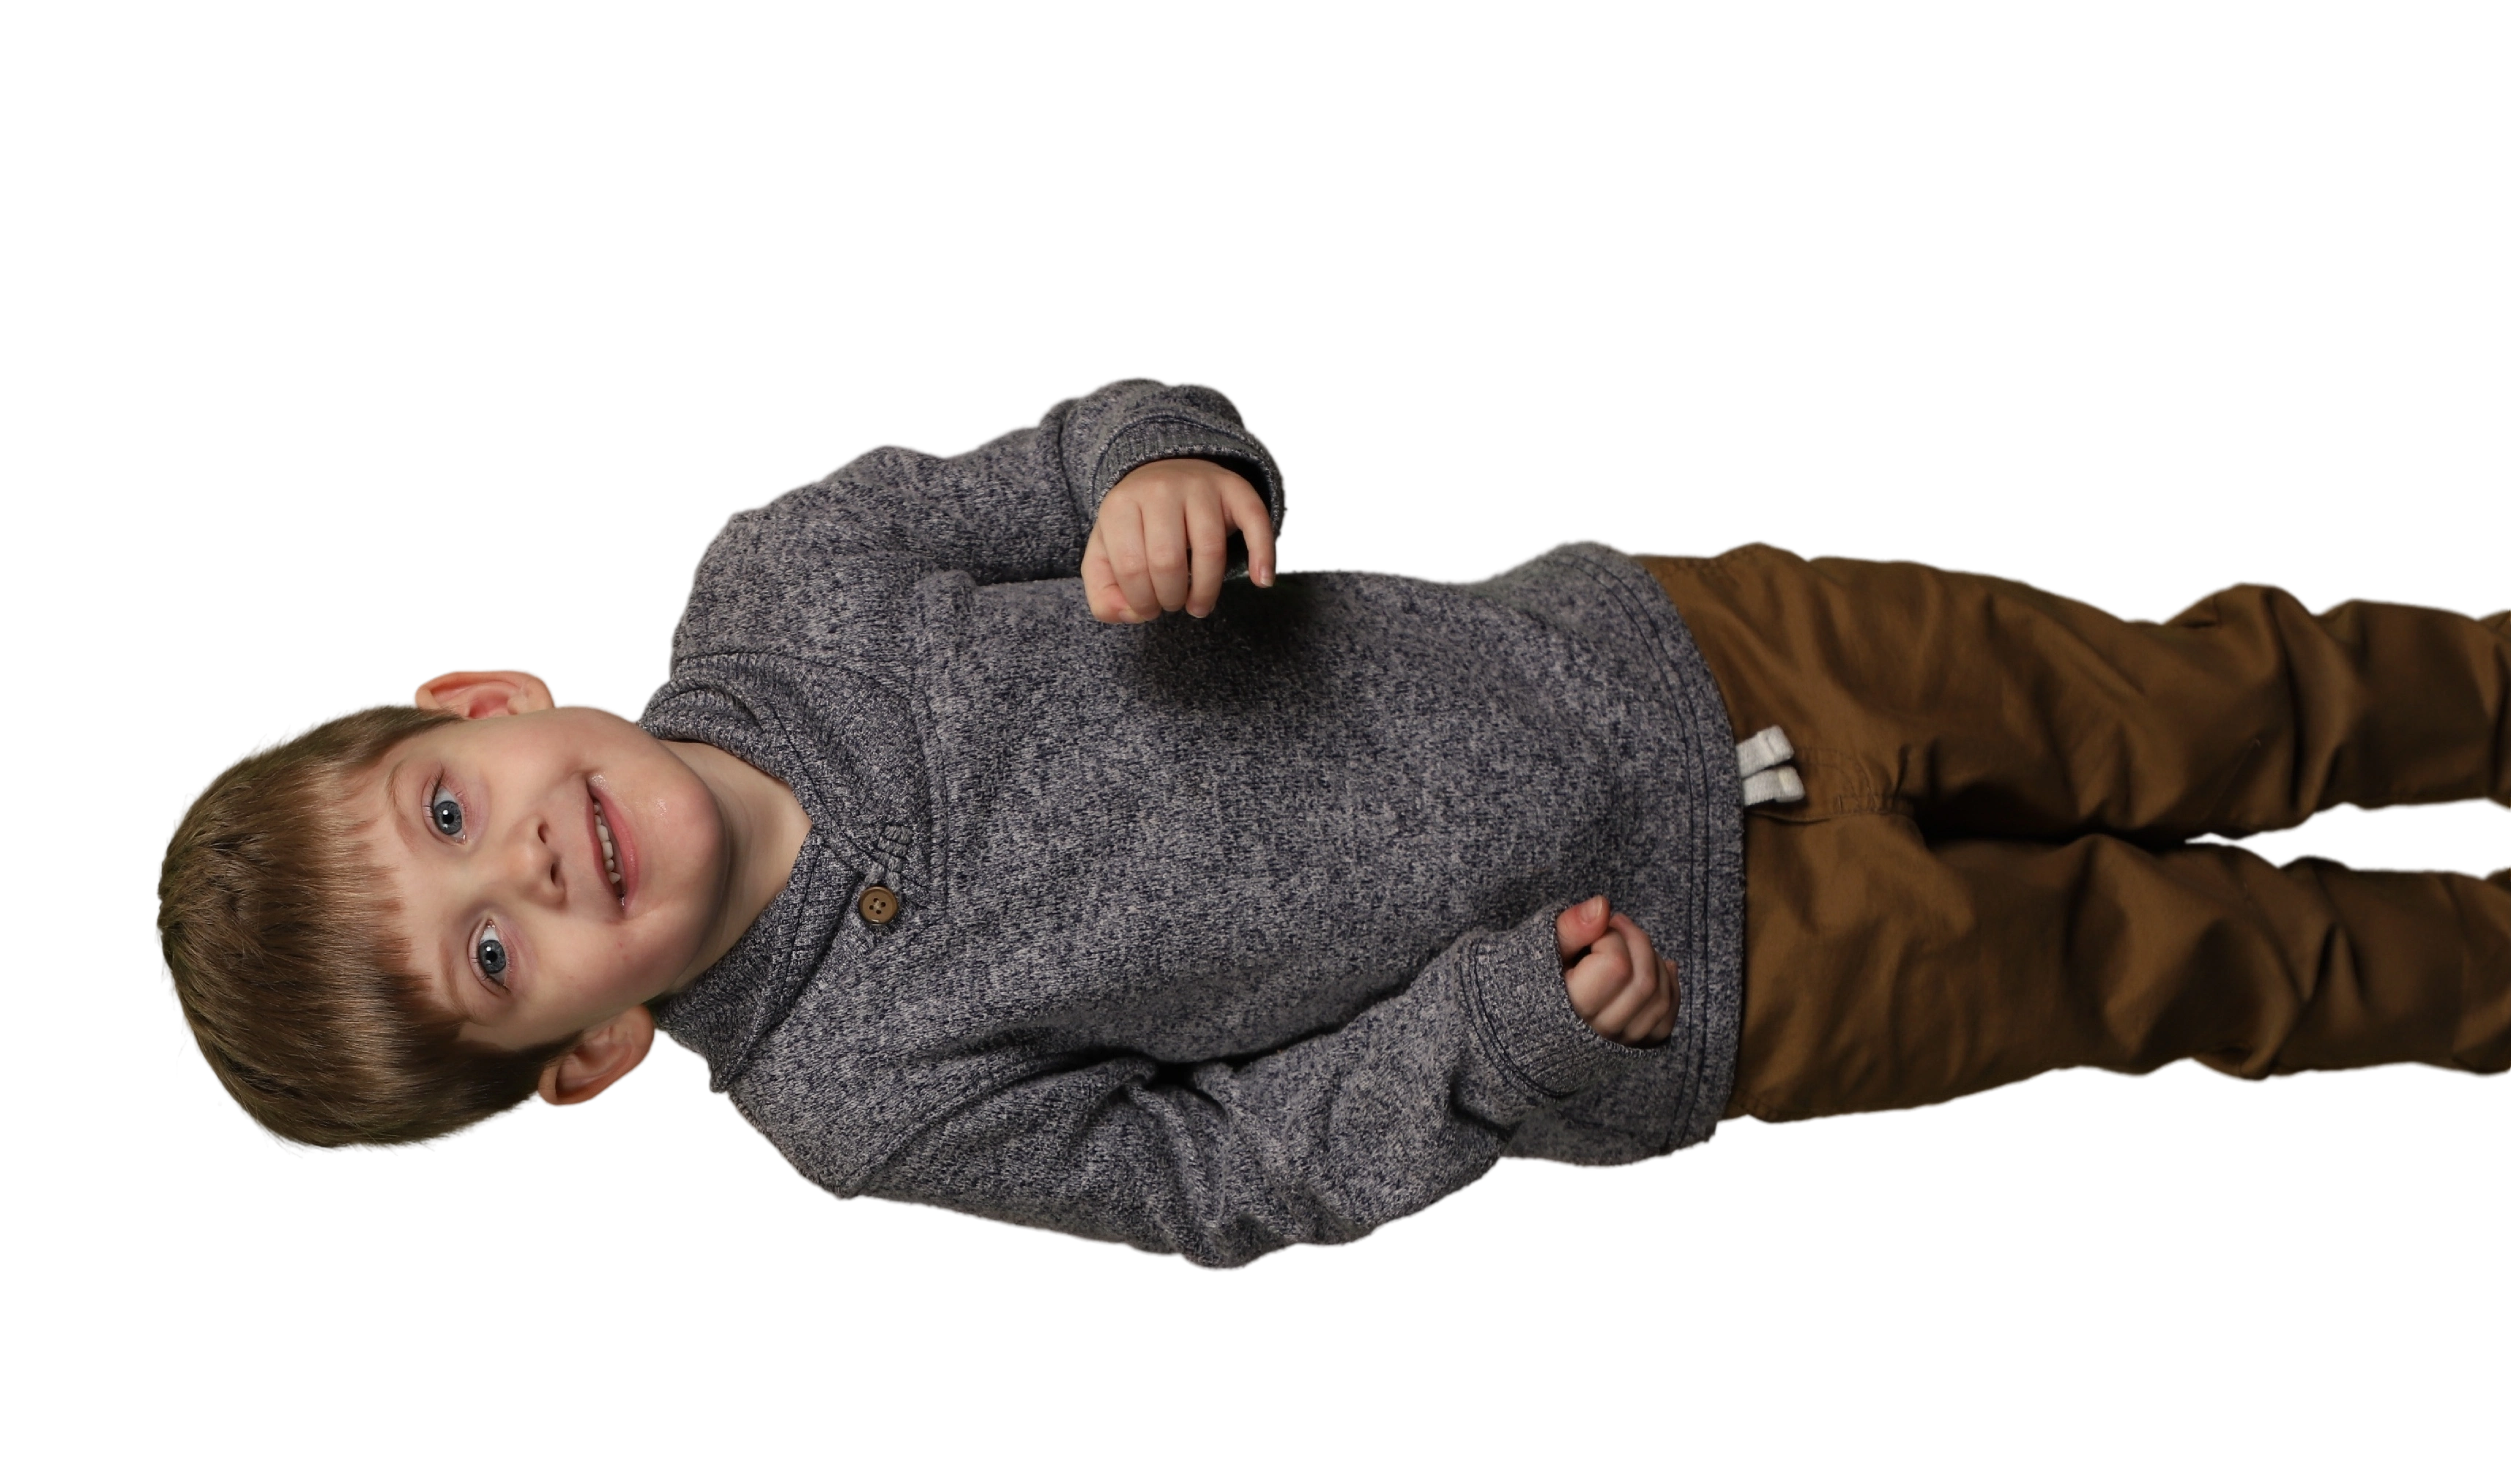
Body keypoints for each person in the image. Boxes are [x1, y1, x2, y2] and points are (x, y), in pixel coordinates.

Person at [152, 375, 2511, 1272]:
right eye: (489, 954)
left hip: (1686, 659)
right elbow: (1226, 1180)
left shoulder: (791, 573)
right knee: (2186, 961)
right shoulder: (863, 1099)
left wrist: (1165, 471)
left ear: (482, 702)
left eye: (449, 811)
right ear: (584, 1054)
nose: (521, 865)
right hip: (1693, 987)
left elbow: (1084, 441)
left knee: (2211, 696)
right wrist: (1500, 1040)